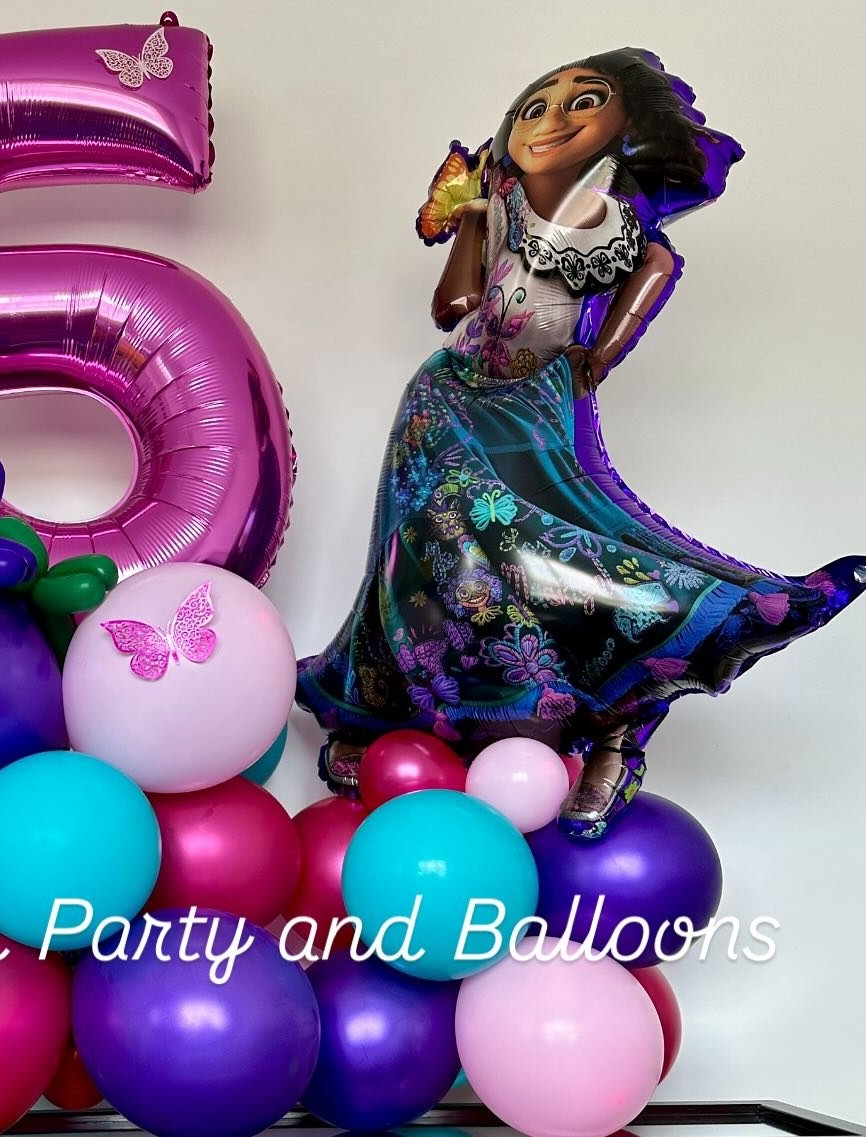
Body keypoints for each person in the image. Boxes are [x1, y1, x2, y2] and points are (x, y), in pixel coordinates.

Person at [296, 49, 866, 839]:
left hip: (533, 405)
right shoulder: (497, 208)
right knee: (417, 560)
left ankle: (640, 699)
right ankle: (378, 715)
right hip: (447, 398)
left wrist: (597, 355)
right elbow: (454, 305)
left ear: (628, 125)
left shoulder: (635, 237)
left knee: (555, 549)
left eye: (584, 102)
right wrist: (470, 219)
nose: (553, 120)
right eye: (534, 107)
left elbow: (631, 302)